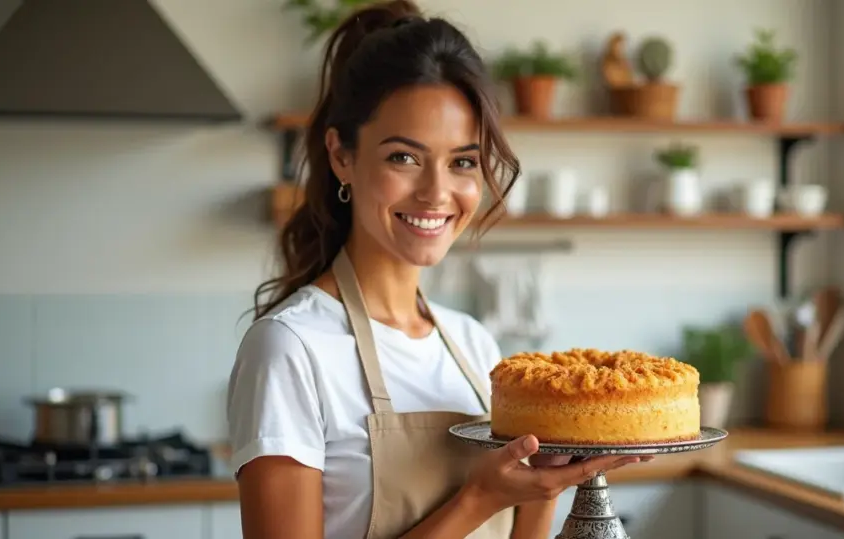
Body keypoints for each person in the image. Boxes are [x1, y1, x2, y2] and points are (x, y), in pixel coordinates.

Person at [226, 2, 649, 538]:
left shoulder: (474, 348)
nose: (436, 193)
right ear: (341, 156)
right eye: (404, 157)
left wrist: (546, 487)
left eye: (463, 161)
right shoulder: (292, 348)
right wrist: (479, 499)